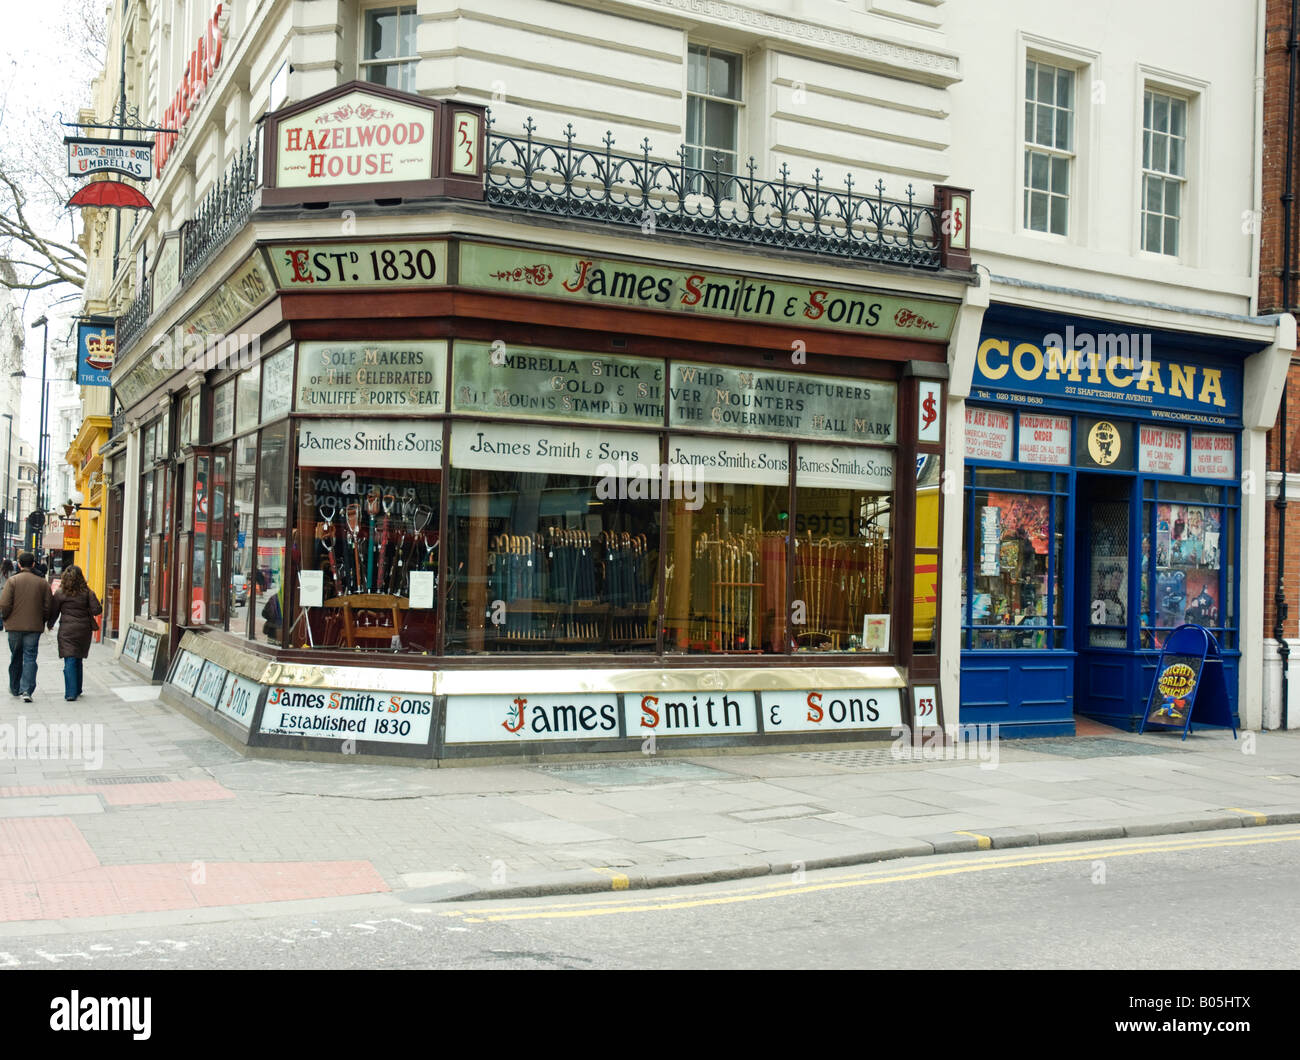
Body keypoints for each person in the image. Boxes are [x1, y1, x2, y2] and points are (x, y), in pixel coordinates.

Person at [0, 552, 54, 702]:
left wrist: (6, 617)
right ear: (33, 564)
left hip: (14, 626)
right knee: (30, 657)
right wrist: (43, 619)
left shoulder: (12, 581)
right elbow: (48, 605)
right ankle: (27, 690)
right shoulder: (42, 583)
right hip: (34, 627)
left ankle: (15, 686)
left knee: (16, 656)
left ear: (19, 564)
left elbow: (4, 604)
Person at [48, 565, 101, 702]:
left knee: (70, 659)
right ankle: (77, 688)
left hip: (67, 630)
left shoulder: (60, 593)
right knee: (78, 657)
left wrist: (50, 624)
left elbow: (54, 611)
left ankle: (71, 692)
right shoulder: (87, 592)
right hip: (83, 630)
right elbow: (97, 610)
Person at [0, 559, 12, 631]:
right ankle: (7, 626)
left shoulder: (1, 572)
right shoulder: (13, 572)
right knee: (9, 609)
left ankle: (0, 624)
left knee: (1, 608)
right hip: (10, 591)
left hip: (1, 591)